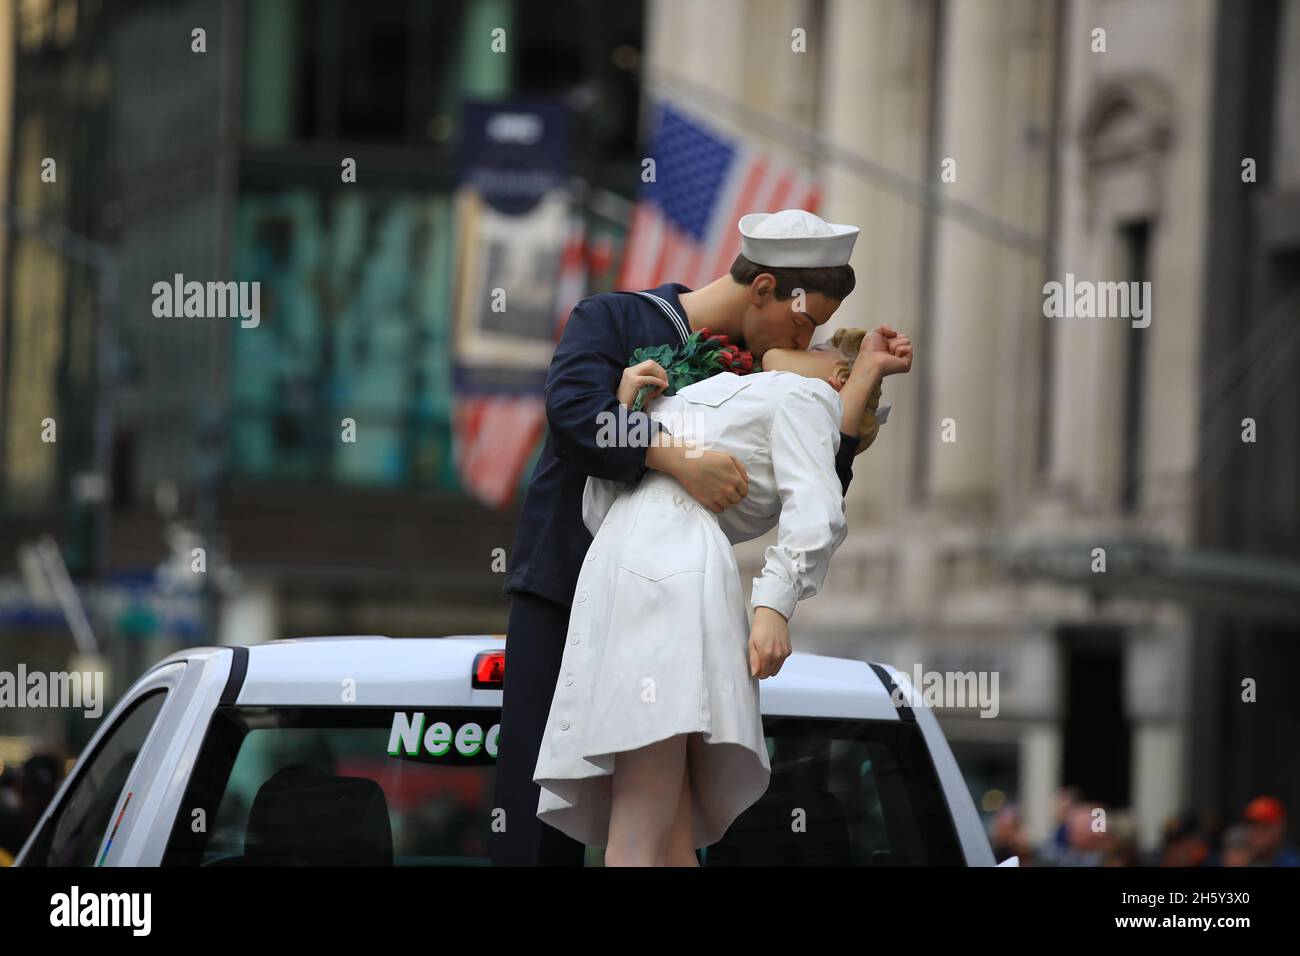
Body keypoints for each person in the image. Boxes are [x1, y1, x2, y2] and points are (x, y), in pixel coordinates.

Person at [491, 210, 885, 866]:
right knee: (545, 821)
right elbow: (572, 414)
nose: (805, 335)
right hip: (568, 588)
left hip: (669, 603)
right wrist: (672, 457)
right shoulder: (616, 318)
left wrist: (859, 388)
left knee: (667, 808)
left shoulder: (768, 378)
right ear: (762, 288)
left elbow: (810, 489)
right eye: (803, 319)